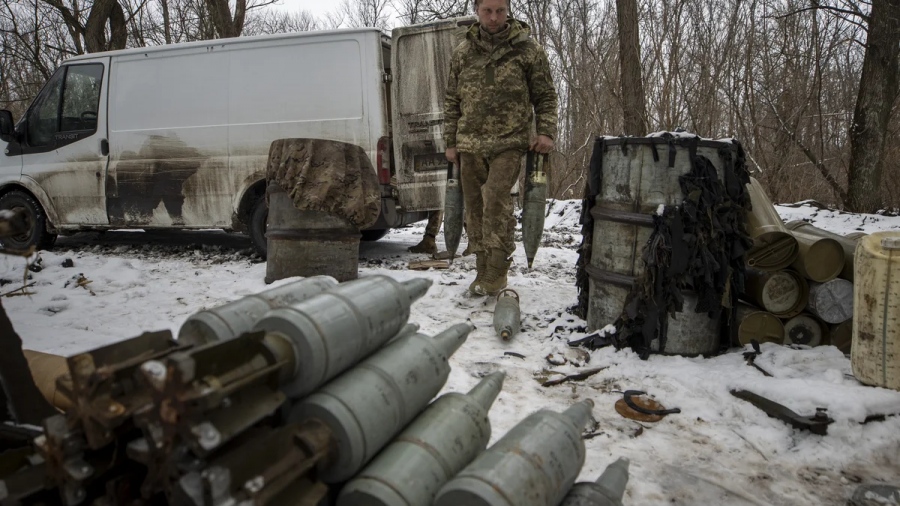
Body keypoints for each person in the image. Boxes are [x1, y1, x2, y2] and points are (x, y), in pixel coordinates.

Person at [443, 0, 558, 296]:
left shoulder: (527, 49)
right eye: (487, 11)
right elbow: (452, 101)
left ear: (508, 10)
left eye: (500, 11)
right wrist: (451, 141)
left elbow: (545, 94)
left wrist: (545, 132)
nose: (494, 18)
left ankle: (497, 266)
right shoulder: (463, 52)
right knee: (474, 206)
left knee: (495, 198)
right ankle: (482, 265)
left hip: (509, 141)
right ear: (477, 10)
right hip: (470, 142)